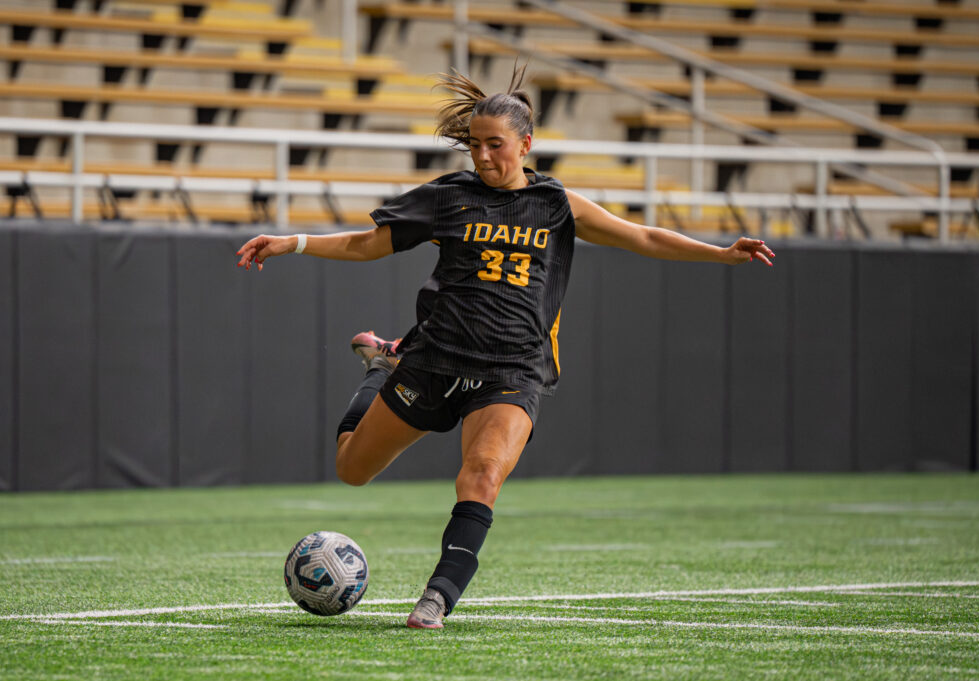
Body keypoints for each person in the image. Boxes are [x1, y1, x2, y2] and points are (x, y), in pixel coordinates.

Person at [236, 66, 775, 629]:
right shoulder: (448, 197)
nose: (484, 157)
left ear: (526, 144)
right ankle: (382, 365)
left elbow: (641, 236)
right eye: (475, 146)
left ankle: (437, 598)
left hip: (511, 369)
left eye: (496, 145)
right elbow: (366, 243)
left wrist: (719, 252)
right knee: (351, 470)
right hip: (435, 360)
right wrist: (292, 242)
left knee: (483, 474)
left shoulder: (556, 203)